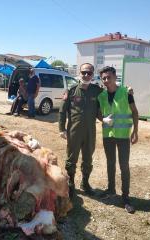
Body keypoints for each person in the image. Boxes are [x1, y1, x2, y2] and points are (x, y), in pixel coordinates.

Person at [97, 66, 138, 213]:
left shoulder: (126, 92)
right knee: (110, 163)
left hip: (123, 135)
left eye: (109, 77)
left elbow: (134, 112)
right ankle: (110, 189)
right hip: (108, 135)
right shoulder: (101, 96)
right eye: (104, 78)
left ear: (115, 77)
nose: (107, 80)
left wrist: (135, 132)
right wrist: (103, 120)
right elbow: (97, 113)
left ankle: (125, 197)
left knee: (124, 165)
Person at [59, 63, 103, 198]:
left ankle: (85, 183)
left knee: (88, 158)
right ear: (79, 73)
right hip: (74, 131)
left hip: (90, 131)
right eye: (84, 72)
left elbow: (112, 93)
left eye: (89, 73)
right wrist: (61, 129)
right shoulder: (71, 91)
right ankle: (71, 183)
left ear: (93, 75)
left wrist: (126, 90)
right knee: (72, 158)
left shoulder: (98, 91)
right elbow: (62, 111)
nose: (86, 75)